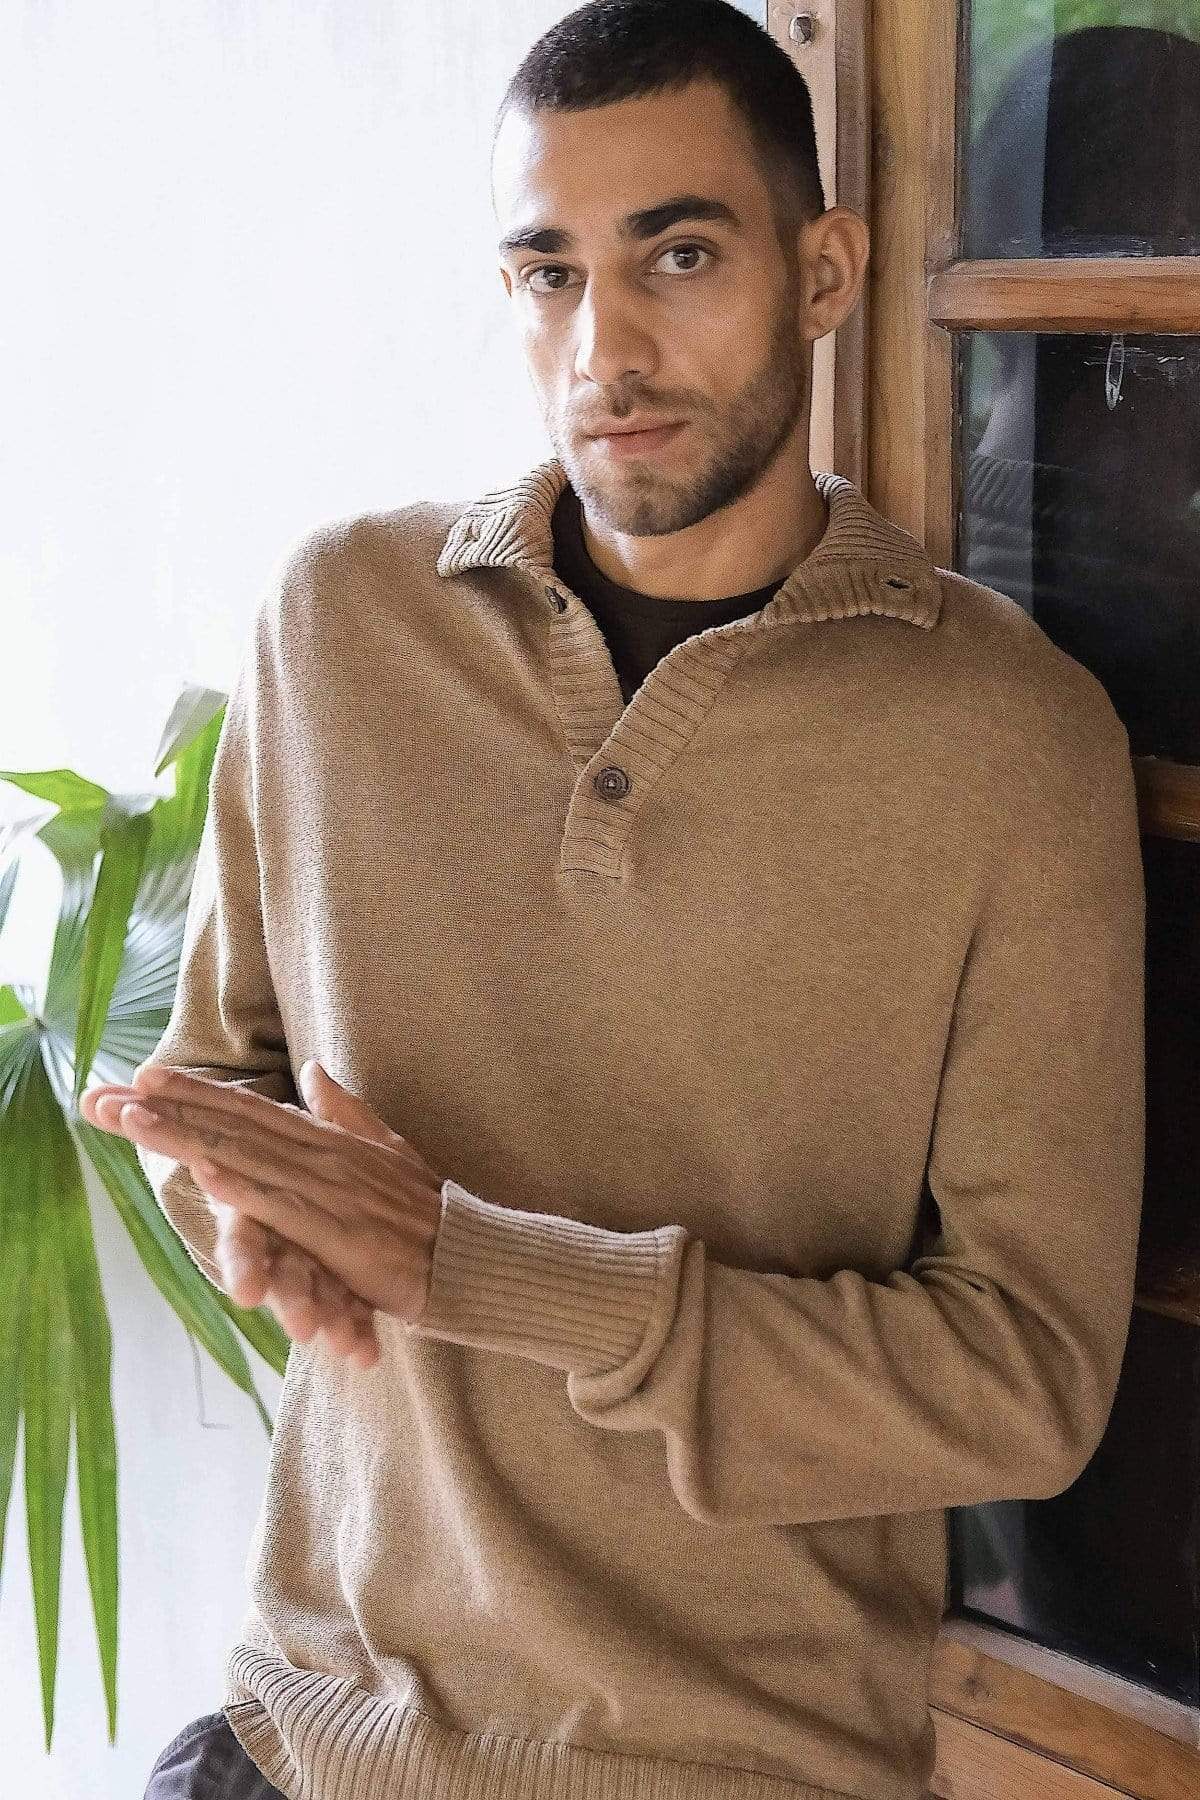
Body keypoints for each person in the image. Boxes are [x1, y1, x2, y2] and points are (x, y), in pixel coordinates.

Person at [82, 4, 1146, 1798]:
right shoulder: (336, 625)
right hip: (305, 1734)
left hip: (736, 1767)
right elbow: (227, 1081)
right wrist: (249, 1214)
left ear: (825, 272)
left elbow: (1020, 1380)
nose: (607, 348)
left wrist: (484, 1271)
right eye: (549, 274)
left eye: (680, 256)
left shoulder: (1011, 743)